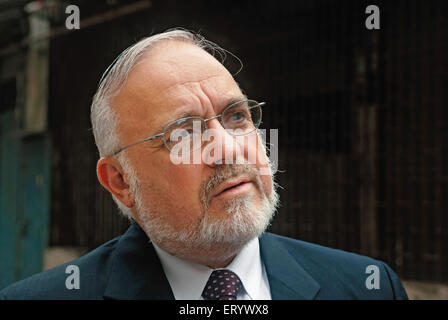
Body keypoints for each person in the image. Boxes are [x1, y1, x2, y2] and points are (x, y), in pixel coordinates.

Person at [0, 29, 408, 300]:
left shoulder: (367, 287)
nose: (227, 150)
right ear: (121, 181)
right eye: (183, 134)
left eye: (236, 116)